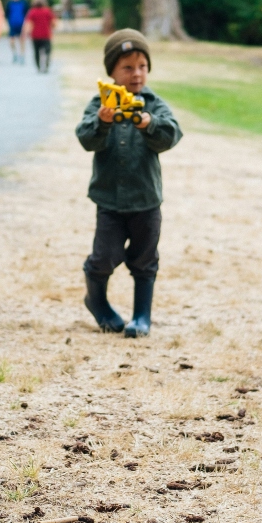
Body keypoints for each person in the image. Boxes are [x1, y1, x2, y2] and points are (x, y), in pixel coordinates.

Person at [75, 29, 182, 338]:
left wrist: (149, 123)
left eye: (142, 66)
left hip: (147, 200)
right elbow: (85, 138)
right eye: (127, 67)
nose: (136, 74)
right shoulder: (100, 103)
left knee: (145, 258)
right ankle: (97, 301)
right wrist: (103, 122)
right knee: (103, 258)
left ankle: (141, 316)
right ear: (111, 72)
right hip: (109, 201)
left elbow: (171, 135)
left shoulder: (152, 104)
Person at [24, 0, 55, 74]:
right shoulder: (47, 11)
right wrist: (51, 29)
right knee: (47, 51)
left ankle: (38, 66)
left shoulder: (32, 12)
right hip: (46, 35)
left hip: (35, 36)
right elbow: (53, 23)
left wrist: (27, 33)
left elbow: (28, 24)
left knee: (36, 52)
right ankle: (46, 64)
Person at [5, 0, 28, 64]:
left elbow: (27, 14)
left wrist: (26, 25)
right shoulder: (9, 3)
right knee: (11, 41)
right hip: (12, 25)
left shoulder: (23, 3)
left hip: (22, 25)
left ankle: (22, 56)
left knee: (22, 41)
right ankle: (15, 54)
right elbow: (7, 15)